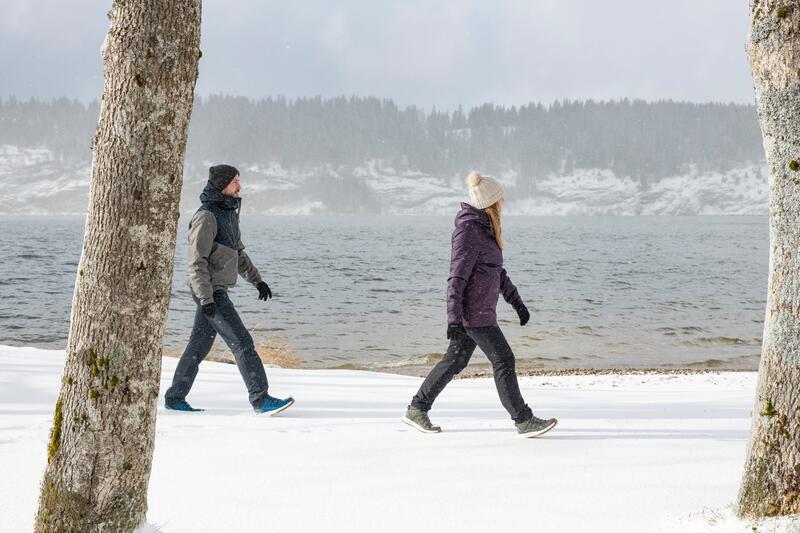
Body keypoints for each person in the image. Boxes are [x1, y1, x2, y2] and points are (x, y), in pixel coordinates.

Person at [402, 171, 557, 438]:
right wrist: (453, 317)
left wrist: (516, 303)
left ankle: (417, 408)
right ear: (491, 202)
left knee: (455, 360)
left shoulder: (484, 229)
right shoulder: (468, 230)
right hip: (473, 314)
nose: (504, 202)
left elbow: (497, 272)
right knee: (504, 359)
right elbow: (457, 277)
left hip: (480, 311)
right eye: (501, 198)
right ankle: (523, 420)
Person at [164, 164, 294, 415]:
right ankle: (260, 399)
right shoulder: (207, 216)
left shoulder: (228, 212)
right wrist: (206, 298)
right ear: (223, 184)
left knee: (198, 347)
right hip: (210, 291)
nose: (240, 186)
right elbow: (196, 261)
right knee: (243, 342)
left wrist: (257, 281)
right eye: (235, 181)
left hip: (215, 290)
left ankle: (175, 397)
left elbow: (238, 254)